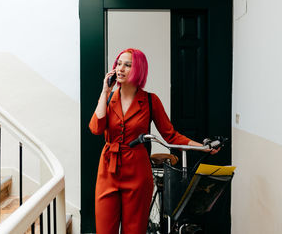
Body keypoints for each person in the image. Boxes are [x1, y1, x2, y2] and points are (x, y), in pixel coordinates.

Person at [89, 48, 219, 234]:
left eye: (127, 65)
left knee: (134, 229)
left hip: (137, 171)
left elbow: (170, 135)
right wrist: (104, 91)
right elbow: (96, 129)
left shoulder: (150, 100)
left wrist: (202, 147)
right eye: (119, 63)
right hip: (108, 170)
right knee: (104, 229)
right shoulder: (108, 97)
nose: (121, 69)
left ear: (138, 70)